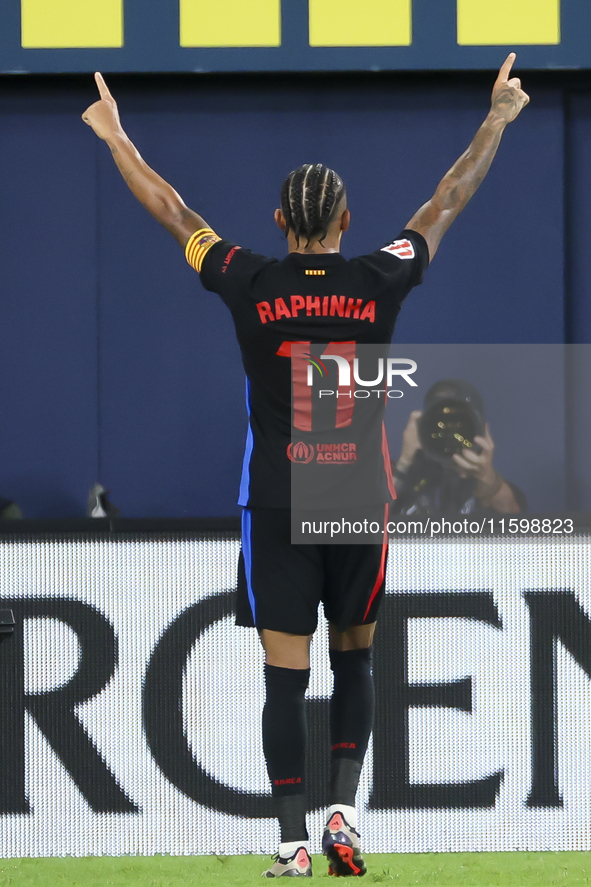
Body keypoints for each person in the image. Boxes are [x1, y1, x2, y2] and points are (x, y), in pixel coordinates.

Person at [81, 56, 529, 877]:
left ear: (278, 221)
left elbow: (173, 212)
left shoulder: (249, 278)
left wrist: (116, 138)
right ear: (346, 219)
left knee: (283, 681)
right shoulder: (378, 276)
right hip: (356, 496)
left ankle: (290, 844)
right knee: (353, 657)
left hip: (279, 503)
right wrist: (496, 117)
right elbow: (447, 199)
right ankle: (342, 818)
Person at [392, 379, 526, 517]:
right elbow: (371, 520)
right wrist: (404, 462)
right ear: (422, 425)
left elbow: (516, 524)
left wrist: (486, 478)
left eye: (460, 424)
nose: (450, 432)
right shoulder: (398, 483)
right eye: (441, 422)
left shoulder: (493, 488)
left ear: (481, 430)